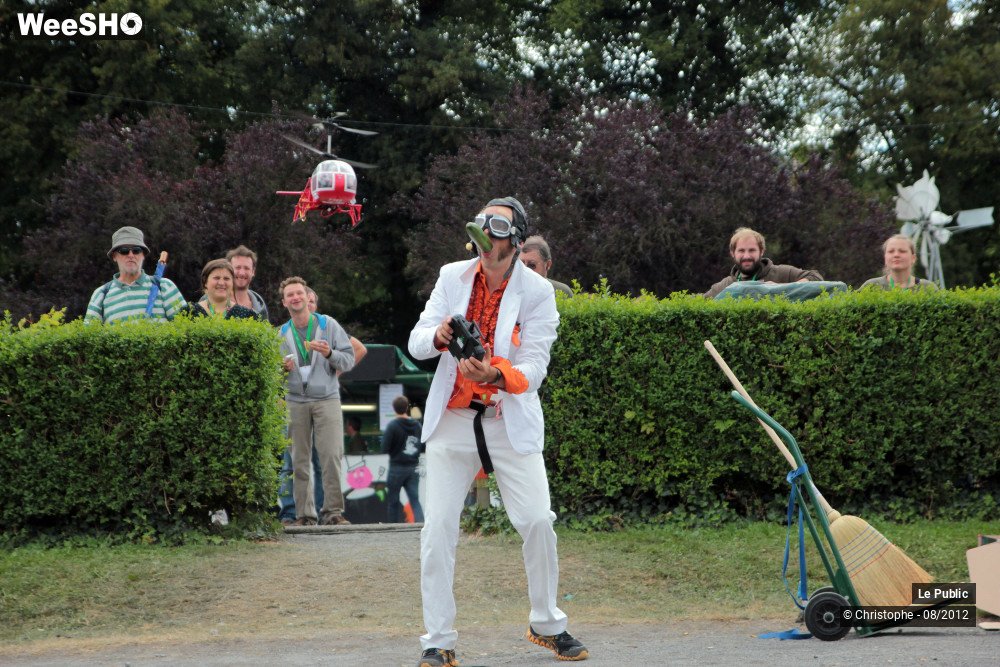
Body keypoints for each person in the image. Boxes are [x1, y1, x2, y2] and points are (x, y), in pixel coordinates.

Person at [408, 196, 588, 665]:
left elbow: (535, 366)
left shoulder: (538, 292)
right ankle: (438, 641)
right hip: (452, 419)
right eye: (482, 227)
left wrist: (496, 375)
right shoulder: (452, 276)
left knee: (537, 522)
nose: (488, 238)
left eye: (500, 228)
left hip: (508, 419)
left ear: (519, 238)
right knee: (438, 528)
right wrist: (439, 335)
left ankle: (547, 623)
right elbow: (417, 339)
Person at [279, 276, 356, 526]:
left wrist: (330, 353)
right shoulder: (281, 333)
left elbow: (349, 359)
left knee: (331, 456)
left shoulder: (328, 325)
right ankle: (304, 515)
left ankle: (333, 511)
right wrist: (280, 369)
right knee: (298, 460)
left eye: (299, 293)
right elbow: (270, 373)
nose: (295, 298)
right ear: (284, 302)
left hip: (326, 399)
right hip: (295, 401)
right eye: (290, 295)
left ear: (307, 296)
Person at [85, 226, 186, 323]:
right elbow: (88, 338)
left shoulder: (164, 287)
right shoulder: (101, 295)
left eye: (136, 250)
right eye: (124, 251)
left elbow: (186, 329)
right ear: (114, 256)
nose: (131, 255)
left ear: (143, 255)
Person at [704, 227, 824, 298]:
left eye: (752, 250)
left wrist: (781, 287)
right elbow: (698, 302)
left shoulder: (782, 273)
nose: (746, 256)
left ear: (761, 251)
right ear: (732, 253)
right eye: (741, 250)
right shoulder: (726, 285)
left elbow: (816, 278)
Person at [380, 395, 424, 523]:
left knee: (393, 501)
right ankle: (420, 525)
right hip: (412, 468)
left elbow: (384, 448)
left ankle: (393, 528)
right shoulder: (417, 425)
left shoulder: (392, 426)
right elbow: (423, 445)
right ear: (407, 408)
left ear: (394, 409)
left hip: (396, 468)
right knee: (414, 500)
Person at [860, 234, 938, 291]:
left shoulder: (928, 288)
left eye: (902, 251)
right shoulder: (871, 286)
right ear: (885, 258)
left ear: (913, 258)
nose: (896, 255)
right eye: (891, 251)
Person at [225, 245, 270, 321]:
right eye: (238, 267)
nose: (242, 273)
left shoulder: (260, 306)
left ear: (253, 272)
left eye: (246, 268)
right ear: (228, 269)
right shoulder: (210, 300)